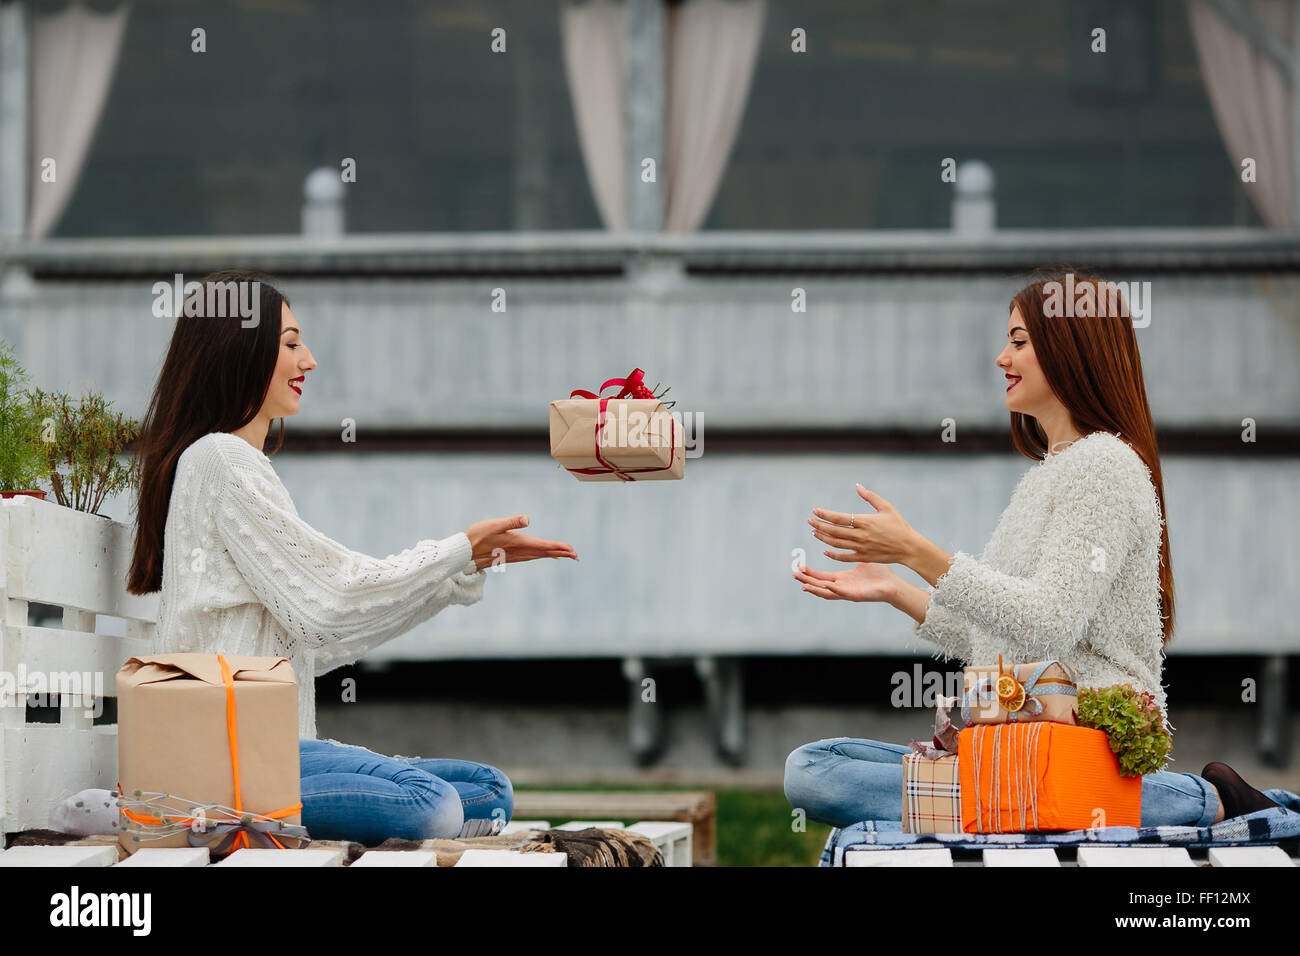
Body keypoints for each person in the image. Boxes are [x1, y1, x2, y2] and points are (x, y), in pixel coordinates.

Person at [785, 270, 1280, 829]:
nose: (1001, 357)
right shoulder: (1049, 473)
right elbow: (999, 631)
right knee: (815, 765)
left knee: (818, 779)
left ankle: (1204, 801)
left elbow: (1050, 621)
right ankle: (1001, 803)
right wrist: (895, 588)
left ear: (1072, 349)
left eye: (1019, 341)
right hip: (1017, 737)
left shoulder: (1105, 467)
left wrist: (916, 550)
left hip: (1078, 743)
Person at [128, 270, 578, 844]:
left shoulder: (231, 464)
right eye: (291, 344)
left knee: (489, 790)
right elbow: (333, 602)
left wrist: (463, 566)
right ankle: (223, 817)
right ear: (238, 351)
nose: (308, 360)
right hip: (221, 761)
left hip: (274, 751)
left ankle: (291, 812)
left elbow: (325, 634)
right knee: (432, 804)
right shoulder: (221, 462)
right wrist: (458, 549)